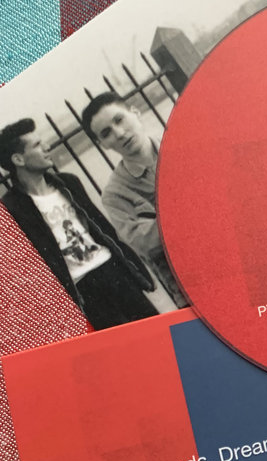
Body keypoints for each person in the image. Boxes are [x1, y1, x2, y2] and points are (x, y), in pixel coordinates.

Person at [0, 118, 158, 329]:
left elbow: (104, 229)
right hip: (83, 289)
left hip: (112, 269)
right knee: (121, 346)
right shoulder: (12, 208)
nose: (47, 147)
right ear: (19, 159)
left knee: (156, 331)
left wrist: (135, 269)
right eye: (37, 145)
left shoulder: (68, 182)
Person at [80, 91, 186, 305]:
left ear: (136, 113)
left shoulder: (183, 143)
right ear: (103, 144)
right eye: (106, 133)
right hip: (189, 287)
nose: (119, 133)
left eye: (119, 119)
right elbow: (147, 244)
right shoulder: (115, 195)